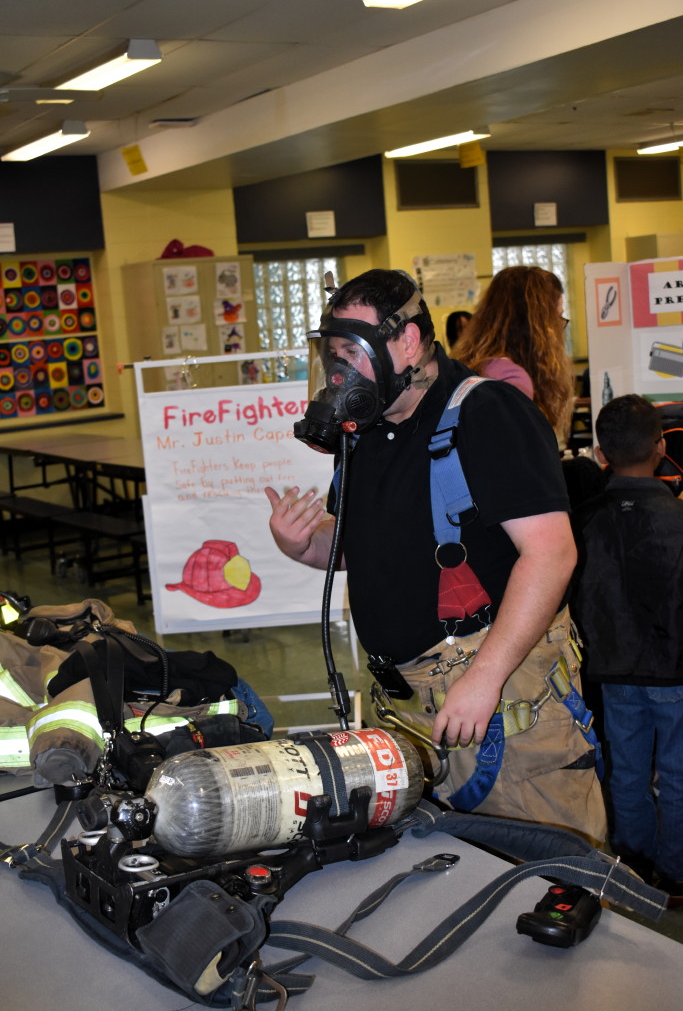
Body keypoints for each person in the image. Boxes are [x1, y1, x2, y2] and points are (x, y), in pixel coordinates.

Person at [266, 268, 606, 843]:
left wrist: (484, 677)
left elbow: (551, 555)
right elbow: (360, 547)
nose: (338, 371)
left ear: (407, 341)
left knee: (548, 868)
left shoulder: (487, 413)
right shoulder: (363, 433)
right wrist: (301, 544)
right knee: (456, 877)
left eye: (354, 351)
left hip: (499, 697)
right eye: (333, 355)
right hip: (410, 707)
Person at [571, 394, 683, 903]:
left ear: (600, 452)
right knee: (680, 776)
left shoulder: (583, 520)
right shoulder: (678, 518)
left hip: (612, 671)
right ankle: (677, 875)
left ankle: (633, 867)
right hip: (676, 673)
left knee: (628, 772)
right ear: (661, 447)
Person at [454, 265, 574, 436]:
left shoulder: (475, 365)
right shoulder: (512, 379)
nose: (559, 329)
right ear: (540, 324)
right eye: (557, 317)